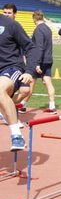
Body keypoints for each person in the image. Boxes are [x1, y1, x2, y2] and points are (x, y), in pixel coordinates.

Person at [0, 11, 37, 151]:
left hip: (11, 67)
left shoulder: (10, 24)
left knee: (0, 90)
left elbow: (31, 47)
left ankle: (17, 136)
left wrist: (29, 71)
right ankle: (4, 108)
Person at [17, 10, 56, 114]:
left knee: (30, 83)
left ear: (34, 18)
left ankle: (23, 105)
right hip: (48, 59)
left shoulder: (38, 30)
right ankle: (52, 105)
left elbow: (39, 47)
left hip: (39, 60)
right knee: (48, 83)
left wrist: (37, 63)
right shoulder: (48, 29)